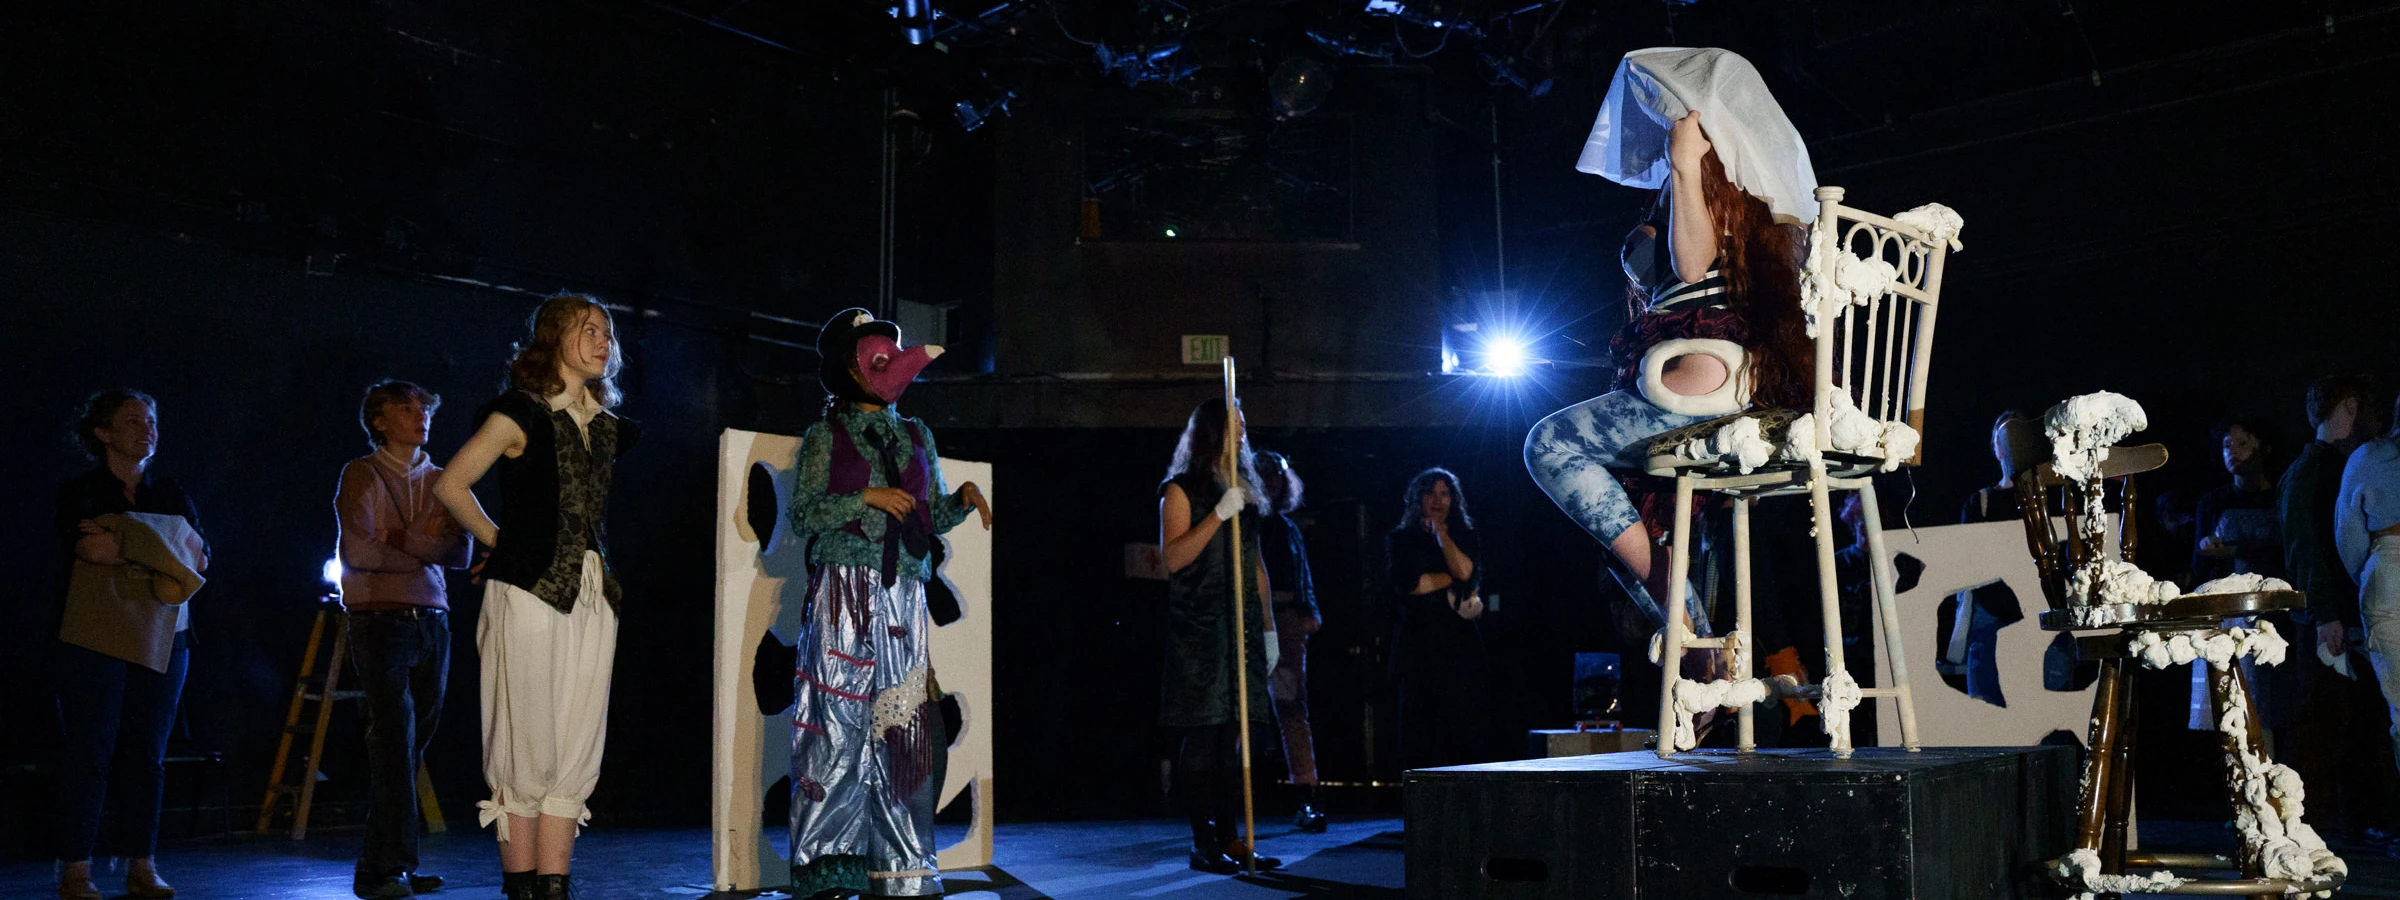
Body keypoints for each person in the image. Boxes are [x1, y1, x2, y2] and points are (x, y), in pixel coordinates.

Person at [1527, 48, 1815, 640]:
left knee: (1548, 446)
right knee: (1622, 517)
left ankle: (1690, 633)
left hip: (1703, 369)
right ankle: (1698, 647)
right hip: (1723, 371)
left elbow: (1691, 266)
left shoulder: (1713, 171)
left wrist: (1685, 163)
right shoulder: (1739, 183)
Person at [433, 294, 641, 900]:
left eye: (607, 332)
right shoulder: (521, 413)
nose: (603, 341)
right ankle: (521, 887)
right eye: (589, 330)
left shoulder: (604, 425)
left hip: (593, 590)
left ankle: (555, 886)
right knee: (524, 740)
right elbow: (451, 484)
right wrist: (502, 543)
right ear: (554, 338)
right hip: (527, 590)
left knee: (575, 745)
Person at [784, 309, 990, 899]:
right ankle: (828, 866)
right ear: (849, 368)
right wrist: (864, 496)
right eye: (875, 359)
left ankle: (900, 870)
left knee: (902, 727)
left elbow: (929, 511)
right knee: (836, 724)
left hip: (903, 591)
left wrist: (962, 502)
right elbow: (805, 514)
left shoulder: (916, 433)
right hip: (843, 587)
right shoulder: (827, 435)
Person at [53, 389, 204, 900]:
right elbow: (92, 548)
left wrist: (126, 536)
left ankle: (143, 863)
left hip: (166, 635)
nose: (147, 429)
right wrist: (163, 547)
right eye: (134, 421)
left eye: (152, 420)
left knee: (147, 755)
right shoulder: (81, 491)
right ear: (104, 432)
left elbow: (200, 561)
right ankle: (77, 868)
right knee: (91, 753)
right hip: (97, 637)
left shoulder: (173, 492)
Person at [337, 380, 471, 898]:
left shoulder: (443, 479)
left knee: (411, 746)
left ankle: (384, 864)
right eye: (406, 408)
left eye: (424, 408)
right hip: (379, 619)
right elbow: (361, 554)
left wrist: (403, 537)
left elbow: (459, 554)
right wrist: (425, 546)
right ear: (379, 420)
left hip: (431, 619)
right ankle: (386, 868)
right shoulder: (362, 473)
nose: (420, 416)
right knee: (394, 743)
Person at [1157, 398, 1282, 875]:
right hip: (1200, 632)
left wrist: (1267, 627)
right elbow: (1173, 558)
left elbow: (1255, 567)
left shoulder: (1245, 492)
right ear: (1212, 432)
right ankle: (1203, 841)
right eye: (1235, 426)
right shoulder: (1180, 491)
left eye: (1246, 425)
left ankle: (1231, 837)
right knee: (1204, 734)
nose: (1244, 434)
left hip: (1241, 629)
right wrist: (1216, 516)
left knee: (1234, 735)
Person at [2287, 377, 2399, 845]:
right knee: (2331, 725)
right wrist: (2327, 614)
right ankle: (2315, 823)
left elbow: (2343, 543)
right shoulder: (2315, 468)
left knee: (2362, 721)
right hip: (2331, 613)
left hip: (2356, 602)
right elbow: (2307, 547)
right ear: (2350, 406)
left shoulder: (2351, 462)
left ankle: (2357, 818)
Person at [1387, 467, 1489, 771]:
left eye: (1444, 494)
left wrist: (1442, 536)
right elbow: (1410, 585)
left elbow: (1466, 573)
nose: (1437, 500)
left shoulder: (1465, 535)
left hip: (1458, 646)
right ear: (1418, 497)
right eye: (1430, 493)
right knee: (1418, 728)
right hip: (1417, 644)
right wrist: (1450, 578)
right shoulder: (1401, 538)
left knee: (1460, 726)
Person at [1254, 450, 1326, 832]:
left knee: (1292, 710)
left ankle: (1307, 795)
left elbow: (1302, 575)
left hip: (1286, 623)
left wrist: (1307, 614)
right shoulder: (1245, 522)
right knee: (1242, 714)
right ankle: (1225, 799)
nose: (1271, 482)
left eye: (1276, 476)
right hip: (1252, 624)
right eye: (1263, 475)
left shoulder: (1286, 527)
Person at [2194, 419, 2284, 583]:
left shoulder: (2281, 498)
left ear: (2265, 448)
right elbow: (2198, 567)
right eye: (2227, 446)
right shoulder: (2211, 502)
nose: (2233, 451)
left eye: (2242, 443)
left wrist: (2236, 551)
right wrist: (2205, 545)